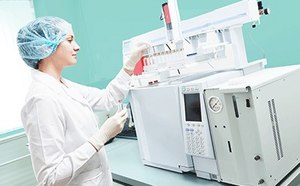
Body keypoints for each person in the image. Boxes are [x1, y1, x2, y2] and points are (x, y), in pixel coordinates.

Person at [17, 16, 148, 185]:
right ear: (46, 46)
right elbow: (50, 178)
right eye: (70, 40)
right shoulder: (41, 99)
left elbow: (108, 98)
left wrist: (130, 65)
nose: (77, 46)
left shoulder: (64, 86)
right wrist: (100, 137)